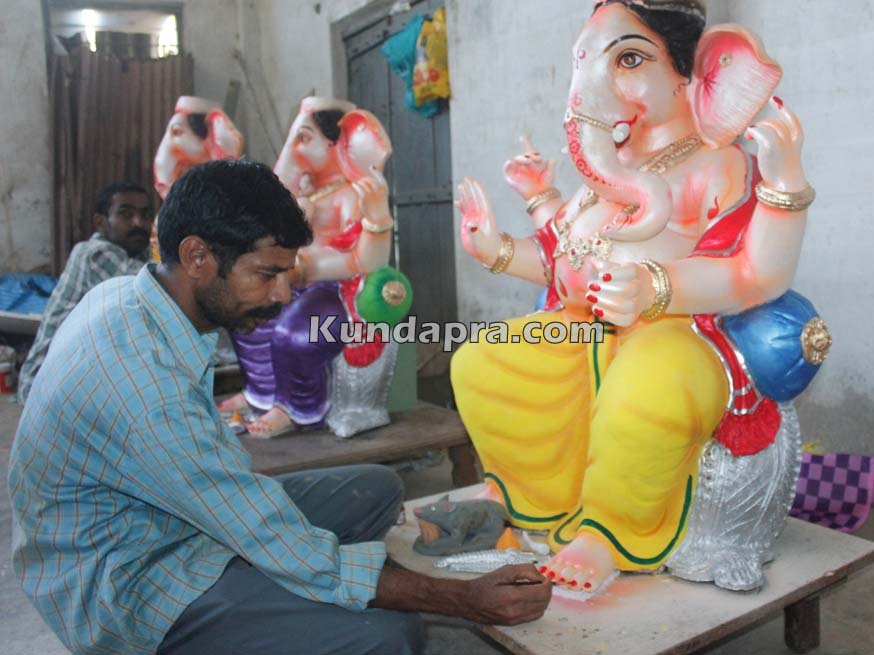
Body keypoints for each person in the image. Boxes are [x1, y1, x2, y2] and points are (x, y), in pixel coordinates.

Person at [7, 160, 550, 655]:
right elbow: (260, 528)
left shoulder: (132, 296)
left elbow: (233, 497)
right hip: (126, 582)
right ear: (197, 257)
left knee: (375, 488)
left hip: (165, 522)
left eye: (287, 274)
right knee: (387, 636)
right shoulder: (144, 387)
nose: (283, 295)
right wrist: (458, 599)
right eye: (266, 274)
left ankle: (292, 601)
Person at [17, 181, 153, 403]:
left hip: (80, 372)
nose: (138, 223)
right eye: (126, 214)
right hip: (43, 383)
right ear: (100, 223)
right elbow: (158, 290)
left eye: (145, 215)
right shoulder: (93, 254)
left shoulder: (139, 252)